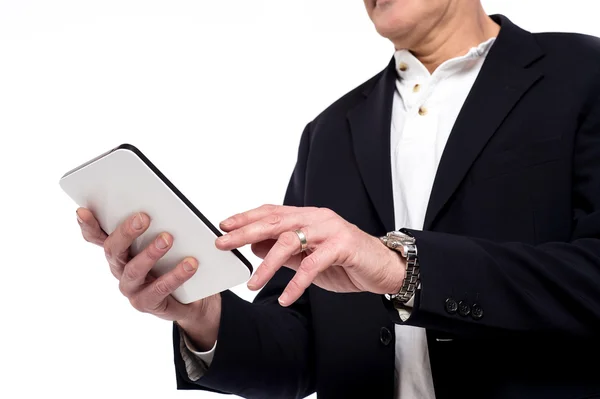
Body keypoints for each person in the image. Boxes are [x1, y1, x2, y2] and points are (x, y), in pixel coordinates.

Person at [76, 1, 600, 398]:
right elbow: (297, 344)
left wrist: (399, 267)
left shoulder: (583, 74)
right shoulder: (329, 132)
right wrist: (200, 313)